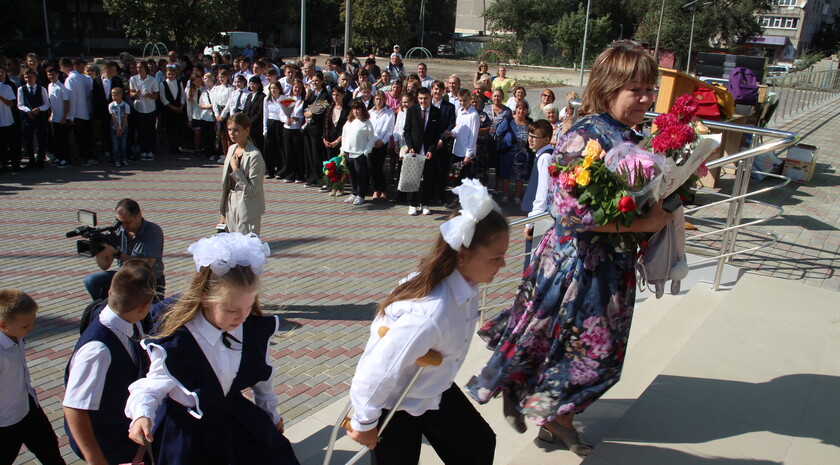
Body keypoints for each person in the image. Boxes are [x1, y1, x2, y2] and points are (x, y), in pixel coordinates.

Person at [465, 41, 673, 456]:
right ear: (609, 87)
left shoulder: (629, 133)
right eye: (638, 89)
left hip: (610, 263)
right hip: (579, 265)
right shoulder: (583, 137)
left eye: (650, 89)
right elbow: (572, 213)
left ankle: (546, 413)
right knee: (584, 350)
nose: (648, 99)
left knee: (571, 346)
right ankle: (553, 417)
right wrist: (645, 221)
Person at [347, 180, 506, 464]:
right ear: (463, 255)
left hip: (432, 388)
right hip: (394, 404)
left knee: (477, 444)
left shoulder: (466, 285)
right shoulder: (429, 313)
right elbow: (377, 370)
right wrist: (364, 423)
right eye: (496, 258)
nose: (503, 265)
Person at [125, 233, 300, 465]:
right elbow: (152, 386)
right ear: (205, 297)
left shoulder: (250, 329)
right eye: (231, 310)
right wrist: (142, 415)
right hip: (190, 435)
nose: (242, 317)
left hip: (235, 423)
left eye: (248, 307)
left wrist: (272, 416)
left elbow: (263, 383)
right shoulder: (179, 341)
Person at [64, 261, 156, 465]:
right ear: (144, 307)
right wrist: (95, 459)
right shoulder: (97, 350)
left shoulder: (128, 322)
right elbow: (74, 408)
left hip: (126, 434)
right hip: (108, 447)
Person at [0, 290, 66, 465]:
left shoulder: (16, 335)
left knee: (51, 452)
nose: (32, 328)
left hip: (29, 408)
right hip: (5, 423)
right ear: (2, 325)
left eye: (33, 321)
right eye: (25, 325)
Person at [84, 199, 166, 300]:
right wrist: (96, 249)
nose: (123, 226)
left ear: (139, 215)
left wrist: (117, 254)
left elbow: (147, 265)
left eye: (127, 222)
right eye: (119, 221)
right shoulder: (118, 229)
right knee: (91, 281)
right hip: (125, 276)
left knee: (147, 313)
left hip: (148, 281)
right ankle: (103, 309)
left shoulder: (153, 231)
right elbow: (105, 265)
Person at [220, 113, 265, 236]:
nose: (231, 133)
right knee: (232, 247)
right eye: (229, 130)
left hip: (247, 207)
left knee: (246, 249)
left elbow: (252, 190)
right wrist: (223, 212)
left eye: (236, 130)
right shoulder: (231, 149)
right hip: (230, 203)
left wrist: (235, 169)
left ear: (246, 131)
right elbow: (226, 185)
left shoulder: (254, 155)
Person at [519, 119, 556, 270]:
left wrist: (531, 222)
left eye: (535, 137)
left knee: (533, 259)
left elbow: (542, 193)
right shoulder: (542, 155)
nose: (530, 139)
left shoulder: (545, 157)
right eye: (529, 135)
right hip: (539, 216)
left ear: (546, 139)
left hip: (540, 217)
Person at [401, 87, 441, 216]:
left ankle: (425, 204)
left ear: (430, 97)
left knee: (428, 178)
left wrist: (431, 149)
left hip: (428, 151)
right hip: (415, 150)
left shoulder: (436, 112)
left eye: (425, 98)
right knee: (413, 177)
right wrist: (410, 146)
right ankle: (412, 204)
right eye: (420, 98)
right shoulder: (412, 110)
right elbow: (407, 130)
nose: (423, 101)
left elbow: (436, 134)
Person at [340, 99, 375, 206]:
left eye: (358, 109)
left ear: (362, 110)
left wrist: (365, 152)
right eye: (354, 109)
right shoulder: (349, 121)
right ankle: (354, 192)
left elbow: (371, 139)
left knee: (361, 175)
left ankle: (361, 195)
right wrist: (342, 150)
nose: (356, 111)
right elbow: (344, 135)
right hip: (348, 152)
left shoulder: (367, 123)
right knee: (352, 174)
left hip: (359, 154)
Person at [496, 100, 532, 206]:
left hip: (523, 153)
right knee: (506, 174)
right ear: (516, 109)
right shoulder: (508, 121)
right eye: (519, 108)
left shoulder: (529, 123)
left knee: (520, 176)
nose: (521, 111)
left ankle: (517, 196)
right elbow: (498, 131)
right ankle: (505, 195)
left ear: (526, 111)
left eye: (523, 109)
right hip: (508, 152)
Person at [17, 69, 50, 170]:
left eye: (30, 77)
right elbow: (20, 104)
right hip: (28, 117)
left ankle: (40, 160)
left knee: (41, 139)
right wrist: (28, 111)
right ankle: (31, 160)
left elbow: (46, 104)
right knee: (29, 140)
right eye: (26, 77)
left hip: (39, 117)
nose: (28, 79)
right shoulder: (21, 89)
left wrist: (39, 109)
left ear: (35, 77)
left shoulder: (41, 89)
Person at [302, 71, 330, 187]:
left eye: (317, 81)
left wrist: (310, 112)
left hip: (318, 128)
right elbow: (305, 108)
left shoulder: (325, 95)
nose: (314, 83)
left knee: (317, 154)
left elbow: (317, 112)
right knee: (309, 154)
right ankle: (311, 178)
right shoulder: (312, 93)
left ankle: (321, 178)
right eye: (313, 81)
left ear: (322, 81)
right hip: (309, 127)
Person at [129, 61, 159, 161]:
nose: (138, 70)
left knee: (150, 130)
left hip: (150, 109)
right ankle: (143, 151)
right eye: (137, 68)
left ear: (145, 68)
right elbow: (131, 93)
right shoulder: (133, 79)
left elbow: (156, 95)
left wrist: (148, 95)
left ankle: (151, 151)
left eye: (140, 67)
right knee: (141, 131)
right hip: (139, 108)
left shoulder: (152, 80)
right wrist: (135, 94)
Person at [368, 90, 395, 201]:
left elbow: (390, 130)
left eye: (381, 99)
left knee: (379, 167)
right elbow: (367, 127)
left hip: (382, 144)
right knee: (370, 167)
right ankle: (376, 189)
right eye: (377, 99)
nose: (378, 101)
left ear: (384, 100)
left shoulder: (389, 113)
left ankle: (383, 190)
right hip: (370, 143)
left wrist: (382, 141)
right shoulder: (370, 112)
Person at [278, 79, 306, 184]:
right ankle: (289, 174)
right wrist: (286, 120)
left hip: (298, 130)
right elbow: (280, 113)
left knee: (298, 153)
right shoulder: (288, 99)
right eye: (295, 87)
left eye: (299, 87)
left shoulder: (303, 100)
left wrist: (300, 118)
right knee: (288, 152)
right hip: (287, 129)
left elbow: (305, 113)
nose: (297, 89)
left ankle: (299, 175)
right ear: (292, 88)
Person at [485, 88, 512, 193]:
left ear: (502, 97)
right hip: (487, 139)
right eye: (495, 96)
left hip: (501, 141)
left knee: (498, 164)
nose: (497, 98)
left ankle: (497, 186)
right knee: (486, 163)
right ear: (492, 97)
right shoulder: (486, 108)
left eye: (499, 96)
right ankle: (485, 185)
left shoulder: (507, 111)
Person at [450, 88, 480, 183]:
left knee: (465, 179)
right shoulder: (459, 111)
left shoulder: (474, 115)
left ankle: (464, 197)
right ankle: (456, 196)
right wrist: (451, 133)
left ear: (470, 99)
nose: (462, 103)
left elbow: (473, 136)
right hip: (457, 149)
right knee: (456, 176)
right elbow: (458, 128)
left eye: (465, 100)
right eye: (460, 100)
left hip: (466, 152)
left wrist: (468, 154)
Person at [45, 66, 71, 168]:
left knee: (63, 139)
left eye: (53, 74)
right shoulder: (49, 86)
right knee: (55, 139)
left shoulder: (62, 87)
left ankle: (65, 159)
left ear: (57, 74)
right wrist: (51, 114)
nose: (51, 76)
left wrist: (64, 117)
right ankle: (58, 157)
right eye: (49, 75)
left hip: (62, 118)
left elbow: (66, 103)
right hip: (54, 117)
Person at [159, 65, 186, 156]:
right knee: (170, 129)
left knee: (178, 129)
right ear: (166, 74)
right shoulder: (163, 84)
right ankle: (172, 148)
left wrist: (181, 106)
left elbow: (182, 95)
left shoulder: (179, 83)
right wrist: (172, 107)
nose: (171, 76)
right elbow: (163, 99)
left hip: (178, 109)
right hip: (169, 110)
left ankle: (177, 147)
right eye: (169, 74)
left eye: (172, 74)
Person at [263, 81, 285, 179]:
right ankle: (269, 171)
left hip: (280, 123)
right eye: (271, 88)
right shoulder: (266, 99)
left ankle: (280, 171)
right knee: (269, 148)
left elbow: (286, 112)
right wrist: (265, 129)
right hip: (270, 123)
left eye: (275, 88)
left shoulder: (284, 98)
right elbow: (265, 114)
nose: (273, 90)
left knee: (279, 148)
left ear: (279, 89)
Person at [0, 65, 19, 172]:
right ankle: (4, 163)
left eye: (2, 72)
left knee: (11, 141)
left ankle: (14, 163)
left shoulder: (8, 87)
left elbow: (11, 103)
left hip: (8, 119)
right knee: (1, 144)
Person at [242, 76, 266, 154]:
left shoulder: (262, 97)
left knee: (257, 145)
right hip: (247, 125)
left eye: (254, 84)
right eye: (251, 83)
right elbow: (245, 110)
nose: (252, 85)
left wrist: (250, 122)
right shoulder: (249, 96)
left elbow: (259, 113)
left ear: (258, 85)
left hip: (256, 126)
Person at [108, 87, 130, 167]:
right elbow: (113, 117)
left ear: (121, 95)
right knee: (115, 145)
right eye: (113, 95)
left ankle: (124, 159)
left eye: (116, 95)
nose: (114, 97)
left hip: (124, 127)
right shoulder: (111, 105)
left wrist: (122, 128)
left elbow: (125, 118)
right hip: (114, 127)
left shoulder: (125, 105)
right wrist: (117, 129)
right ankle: (116, 160)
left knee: (123, 145)